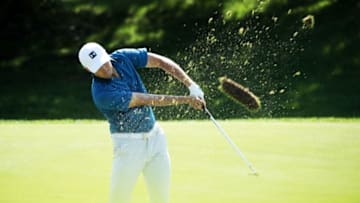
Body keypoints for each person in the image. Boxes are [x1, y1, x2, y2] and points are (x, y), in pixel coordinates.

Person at [78, 42, 206, 203]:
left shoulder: (122, 57)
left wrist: (192, 86)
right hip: (128, 147)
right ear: (88, 70)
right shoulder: (102, 93)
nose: (105, 68)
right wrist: (186, 100)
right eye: (98, 68)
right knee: (119, 199)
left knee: (161, 199)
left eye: (104, 62)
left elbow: (160, 62)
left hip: (156, 139)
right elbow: (146, 99)